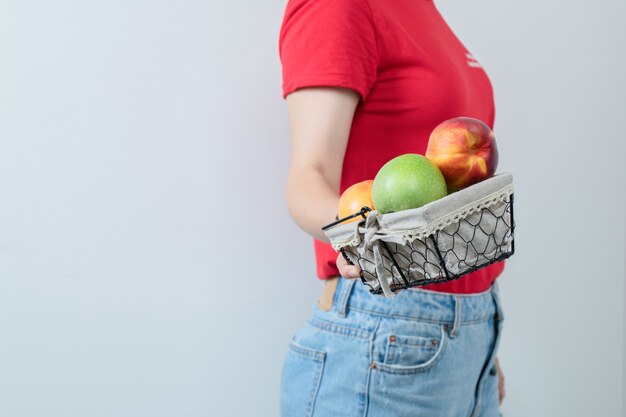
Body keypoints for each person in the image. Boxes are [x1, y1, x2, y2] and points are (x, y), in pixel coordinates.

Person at [278, 0, 506, 415]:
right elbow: (307, 180)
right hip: (386, 333)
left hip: (468, 338)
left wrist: (476, 343)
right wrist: (358, 234)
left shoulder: (423, 9)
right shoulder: (338, 7)